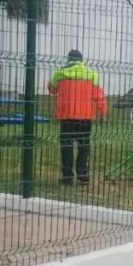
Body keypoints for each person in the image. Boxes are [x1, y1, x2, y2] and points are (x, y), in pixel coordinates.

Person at [49, 49, 107, 185]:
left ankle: (67, 176)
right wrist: (102, 111)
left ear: (68, 59)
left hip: (66, 115)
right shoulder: (92, 74)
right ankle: (82, 174)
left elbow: (52, 89)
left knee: (67, 146)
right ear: (81, 60)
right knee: (84, 145)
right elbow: (98, 95)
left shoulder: (60, 72)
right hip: (85, 115)